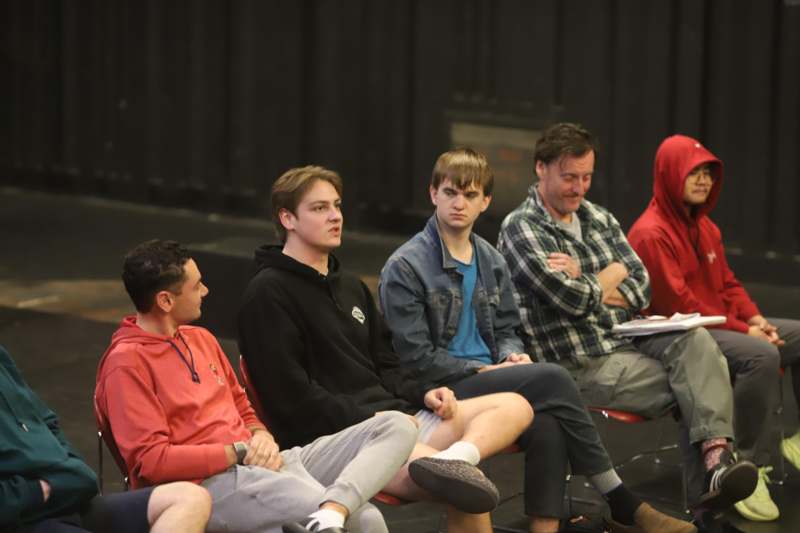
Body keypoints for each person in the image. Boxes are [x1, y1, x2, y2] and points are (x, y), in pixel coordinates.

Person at [378, 147, 697, 533]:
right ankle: (620, 499)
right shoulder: (407, 265)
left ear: (486, 202)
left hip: (492, 377)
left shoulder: (491, 259)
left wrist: (511, 357)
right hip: (444, 384)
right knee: (554, 379)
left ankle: (545, 530)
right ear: (433, 194)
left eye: (470, 195)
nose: (459, 203)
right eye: (450, 193)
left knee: (548, 421)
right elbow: (417, 358)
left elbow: (509, 331)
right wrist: (487, 367)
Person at [238, 165, 534, 533]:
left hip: (399, 418)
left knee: (516, 405)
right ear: (288, 218)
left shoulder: (349, 285)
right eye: (319, 208)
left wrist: (424, 393)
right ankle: (449, 465)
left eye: (337, 206)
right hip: (344, 438)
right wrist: (370, 421)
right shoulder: (268, 294)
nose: (335, 217)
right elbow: (291, 400)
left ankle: (451, 458)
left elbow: (387, 365)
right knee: (466, 484)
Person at [496, 122, 758, 513]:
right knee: (702, 385)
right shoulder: (521, 227)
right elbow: (571, 300)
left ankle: (717, 463)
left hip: (621, 341)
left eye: (586, 177)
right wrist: (609, 274)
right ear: (541, 168)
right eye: (569, 177)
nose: (579, 188)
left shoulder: (599, 217)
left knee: (696, 343)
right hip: (577, 365)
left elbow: (642, 285)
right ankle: (708, 502)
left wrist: (590, 278)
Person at [95, 239, 427, 533]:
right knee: (359, 519)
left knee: (396, 424)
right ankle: (331, 508)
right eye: (196, 286)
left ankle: (335, 505)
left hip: (267, 460)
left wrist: (260, 435)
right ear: (165, 301)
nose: (206, 291)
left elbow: (242, 404)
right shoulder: (126, 365)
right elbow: (152, 462)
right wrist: (237, 451)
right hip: (209, 483)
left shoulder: (201, 338)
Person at [628, 134, 800, 522]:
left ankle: (796, 443)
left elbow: (727, 285)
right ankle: (747, 467)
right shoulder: (650, 233)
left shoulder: (706, 227)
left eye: (708, 173)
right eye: (694, 173)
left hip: (719, 323)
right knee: (761, 355)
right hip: (680, 333)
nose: (703, 180)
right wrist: (747, 332)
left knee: (794, 336)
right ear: (670, 174)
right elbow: (680, 306)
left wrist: (756, 319)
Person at [0, 344, 211, 533]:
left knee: (191, 499)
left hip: (68, 496)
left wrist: (72, 469)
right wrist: (38, 491)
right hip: (25, 518)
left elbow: (47, 421)